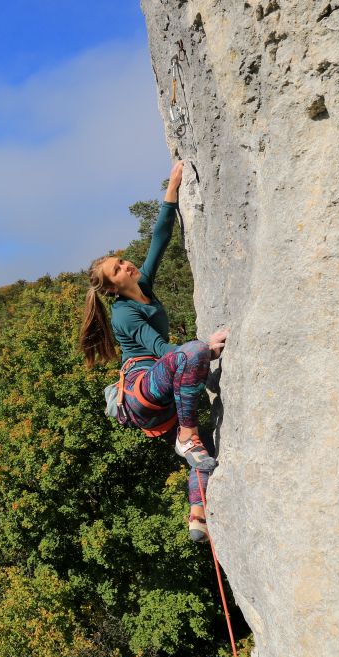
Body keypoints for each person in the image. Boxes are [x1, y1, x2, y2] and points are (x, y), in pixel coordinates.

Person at [79, 160, 228, 542]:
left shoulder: (142, 283)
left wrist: (171, 190)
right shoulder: (124, 315)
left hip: (157, 400)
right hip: (143, 388)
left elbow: (159, 240)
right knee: (192, 353)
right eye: (118, 268)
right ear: (112, 287)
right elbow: (163, 350)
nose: (126, 264)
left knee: (205, 455)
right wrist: (205, 351)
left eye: (122, 261)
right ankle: (186, 435)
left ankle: (198, 518)